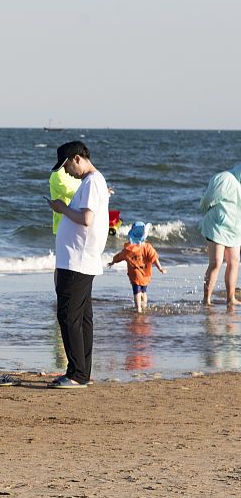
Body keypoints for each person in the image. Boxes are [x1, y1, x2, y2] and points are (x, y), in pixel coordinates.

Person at [46, 141, 110, 389]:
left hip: (77, 261)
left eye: (66, 166)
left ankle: (76, 373)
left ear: (77, 159)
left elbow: (86, 219)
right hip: (79, 259)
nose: (66, 172)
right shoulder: (92, 182)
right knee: (82, 317)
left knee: (69, 316)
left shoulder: (92, 181)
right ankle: (81, 371)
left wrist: (62, 209)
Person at [198, 163, 241, 306]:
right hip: (217, 226)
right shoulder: (225, 178)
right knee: (216, 262)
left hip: (235, 228)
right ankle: (207, 299)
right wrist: (204, 208)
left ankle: (231, 298)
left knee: (234, 262)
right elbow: (209, 198)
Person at [108, 221, 166, 314]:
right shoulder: (147, 247)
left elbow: (119, 256)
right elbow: (154, 258)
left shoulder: (129, 249)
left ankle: (138, 308)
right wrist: (160, 268)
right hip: (145, 274)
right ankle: (144, 306)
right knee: (144, 291)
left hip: (135, 274)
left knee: (136, 292)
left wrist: (113, 262)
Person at [49, 166, 79, 235]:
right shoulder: (58, 173)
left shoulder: (75, 171)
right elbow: (71, 193)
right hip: (63, 224)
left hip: (76, 222)